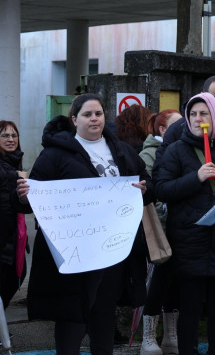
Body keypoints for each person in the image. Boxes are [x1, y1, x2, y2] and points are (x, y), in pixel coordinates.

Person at [15, 93, 153, 355]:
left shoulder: (121, 150)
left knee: (104, 318)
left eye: (98, 114)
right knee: (71, 320)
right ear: (74, 119)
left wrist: (145, 187)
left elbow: (149, 184)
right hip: (73, 254)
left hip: (113, 252)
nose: (94, 119)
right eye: (87, 114)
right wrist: (22, 196)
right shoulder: (54, 155)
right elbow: (31, 200)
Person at [153, 92, 215, 355]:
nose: (198, 119)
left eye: (204, 113)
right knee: (190, 309)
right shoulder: (176, 149)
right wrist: (195, 178)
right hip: (189, 240)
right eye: (193, 114)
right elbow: (162, 189)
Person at [138, 109, 181, 355]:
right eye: (177, 125)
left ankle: (171, 334)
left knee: (175, 281)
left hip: (180, 226)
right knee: (159, 279)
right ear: (163, 129)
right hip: (158, 226)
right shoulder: (149, 153)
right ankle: (148, 336)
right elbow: (150, 191)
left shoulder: (183, 149)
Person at [0, 121, 27, 309]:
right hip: (3, 235)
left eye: (14, 135)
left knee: (16, 276)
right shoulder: (7, 168)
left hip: (13, 235)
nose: (11, 139)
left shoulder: (13, 163)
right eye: (5, 136)